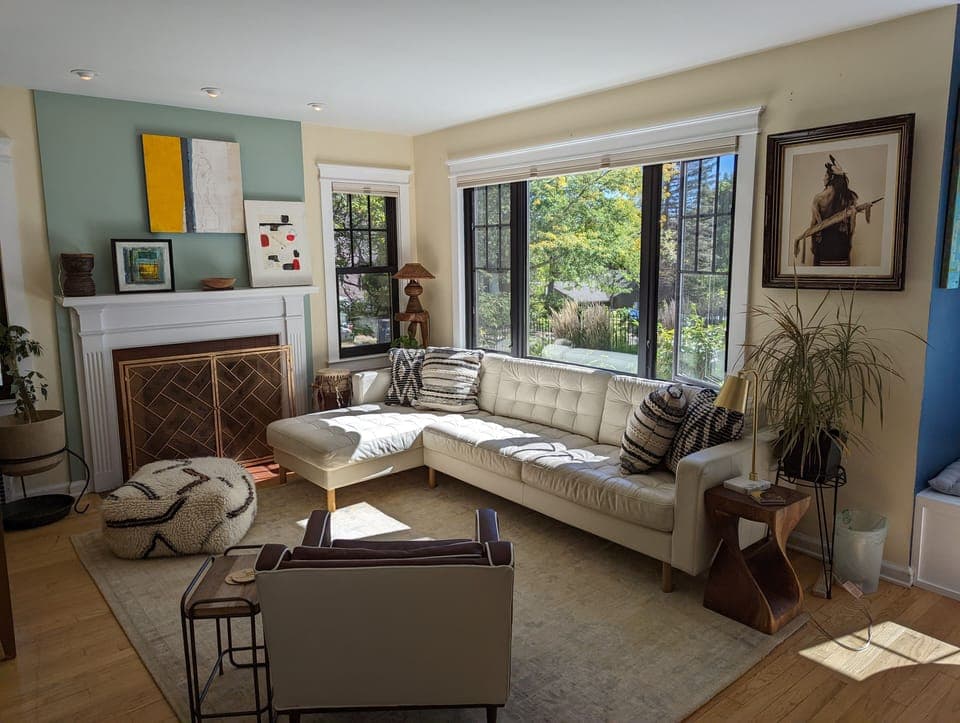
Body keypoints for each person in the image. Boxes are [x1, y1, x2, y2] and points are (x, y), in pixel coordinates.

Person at [807, 155, 859, 266]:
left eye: (825, 175)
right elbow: (852, 228)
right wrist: (849, 245)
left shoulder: (818, 198)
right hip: (842, 247)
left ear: (831, 178)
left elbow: (813, 225)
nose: (823, 178)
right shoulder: (850, 197)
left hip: (823, 247)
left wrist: (813, 245)